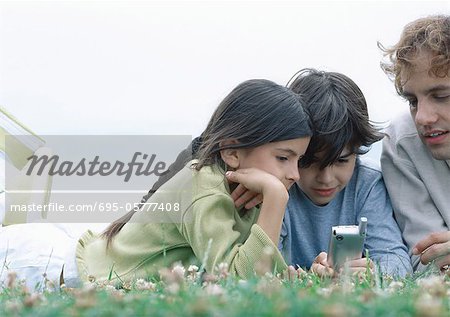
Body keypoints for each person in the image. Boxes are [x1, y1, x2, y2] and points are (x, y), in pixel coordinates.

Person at [0, 79, 312, 289]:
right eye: (283, 158)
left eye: (298, 159)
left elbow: (265, 275)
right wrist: (275, 199)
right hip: (42, 265)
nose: (295, 174)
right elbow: (242, 282)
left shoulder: (246, 194)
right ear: (231, 152)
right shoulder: (203, 183)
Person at [278, 69, 412, 277]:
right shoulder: (278, 185)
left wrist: (371, 272)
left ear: (357, 150)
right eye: (310, 161)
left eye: (341, 160)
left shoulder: (367, 182)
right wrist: (309, 276)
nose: (326, 178)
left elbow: (396, 259)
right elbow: (259, 267)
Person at [379, 15, 450, 272]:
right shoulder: (402, 141)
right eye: (412, 101)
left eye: (441, 96)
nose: (422, 117)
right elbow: (428, 261)